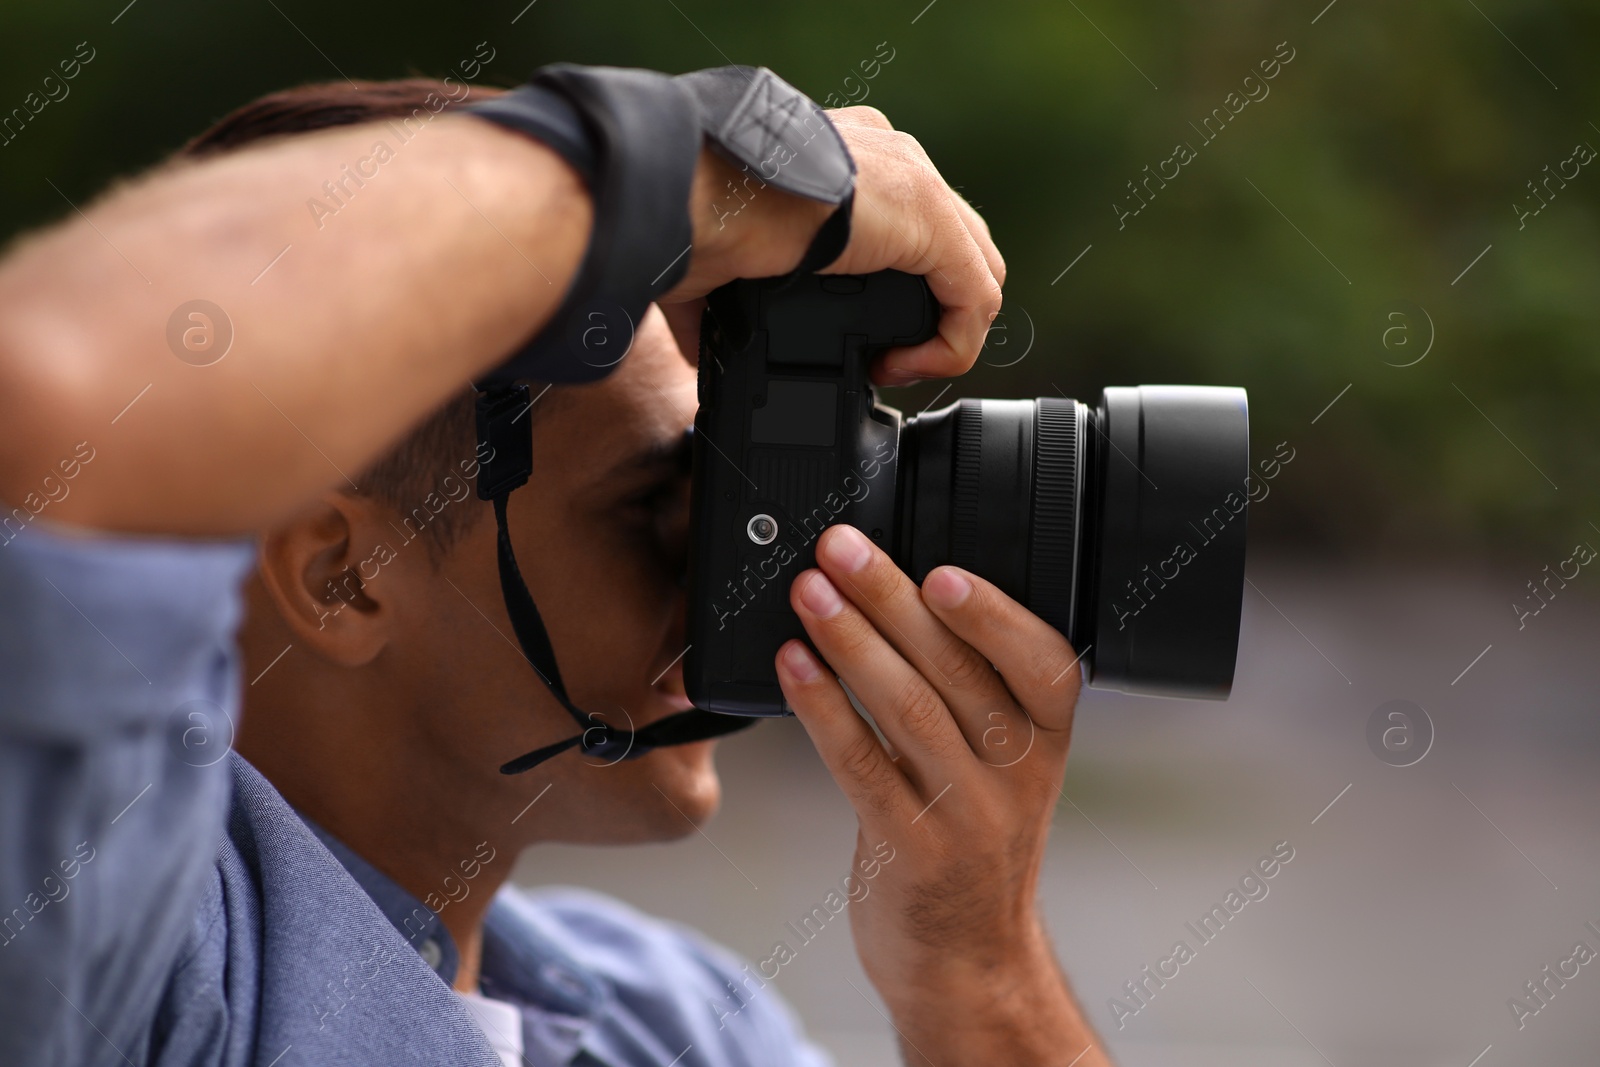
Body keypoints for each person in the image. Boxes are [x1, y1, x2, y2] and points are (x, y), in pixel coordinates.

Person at [0, 66, 1109, 1066]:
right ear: (346, 572)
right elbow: (46, 400)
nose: (737, 569)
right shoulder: (129, 954)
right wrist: (692, 161)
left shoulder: (670, 1018)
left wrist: (980, 975)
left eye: (732, 492)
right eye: (652, 505)